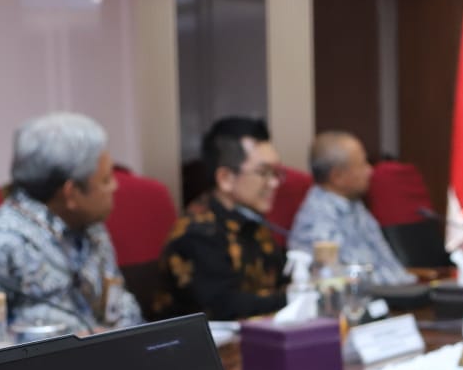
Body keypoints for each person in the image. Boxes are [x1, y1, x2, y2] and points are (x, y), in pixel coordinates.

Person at [0, 113, 142, 357]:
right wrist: (57, 344)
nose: (115, 186)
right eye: (106, 180)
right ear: (71, 193)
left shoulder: (91, 227)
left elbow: (121, 311)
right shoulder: (2, 240)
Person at [156, 116, 288, 320]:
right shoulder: (198, 232)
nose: (274, 183)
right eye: (264, 172)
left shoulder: (251, 220)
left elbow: (279, 279)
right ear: (225, 178)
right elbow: (223, 306)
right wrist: (293, 298)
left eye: (276, 173)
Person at [289, 132, 412, 283]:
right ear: (337, 177)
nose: (370, 170)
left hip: (391, 296)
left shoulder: (353, 204)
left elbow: (389, 263)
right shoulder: (317, 222)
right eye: (362, 164)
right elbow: (347, 283)